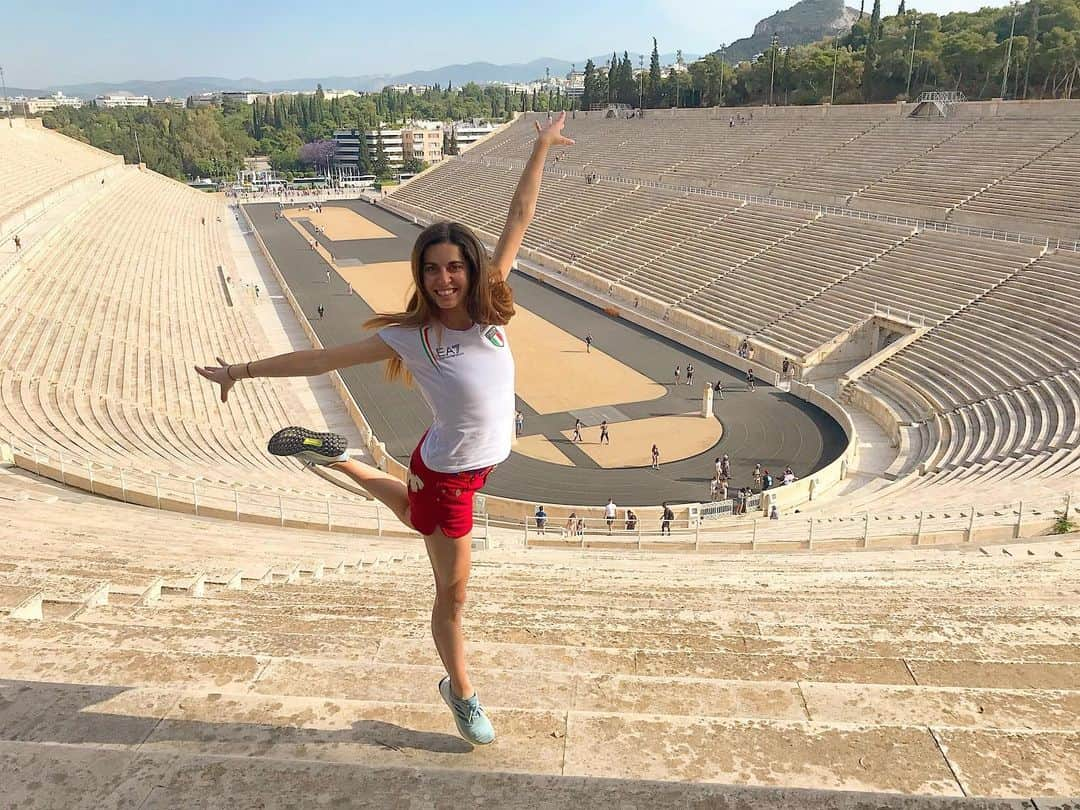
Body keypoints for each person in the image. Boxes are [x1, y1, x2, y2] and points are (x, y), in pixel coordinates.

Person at [194, 111, 576, 748]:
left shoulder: (491, 307)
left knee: (413, 513)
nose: (444, 278)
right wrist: (241, 369)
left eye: (455, 266)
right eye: (431, 269)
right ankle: (461, 693)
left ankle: (339, 457)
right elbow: (320, 358)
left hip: (462, 466)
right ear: (420, 275)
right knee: (452, 598)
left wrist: (538, 148)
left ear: (471, 270)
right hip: (450, 476)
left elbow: (519, 219)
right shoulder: (412, 336)